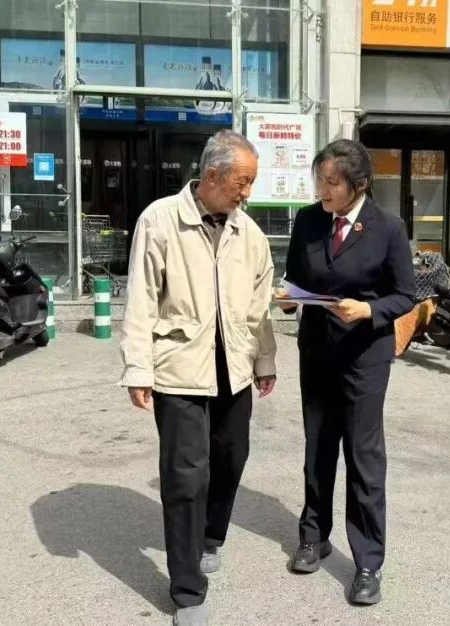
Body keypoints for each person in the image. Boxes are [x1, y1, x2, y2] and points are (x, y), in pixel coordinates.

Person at [119, 130, 277, 626]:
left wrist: (265, 360)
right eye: (242, 181)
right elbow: (141, 299)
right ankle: (187, 590)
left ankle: (211, 534)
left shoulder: (249, 233)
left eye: (251, 182)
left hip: (235, 367)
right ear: (212, 175)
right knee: (186, 475)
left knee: (231, 458)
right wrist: (138, 367)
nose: (247, 192)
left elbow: (260, 306)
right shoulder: (160, 220)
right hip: (179, 368)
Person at [279, 139, 415, 605]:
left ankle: (368, 563)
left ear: (359, 184)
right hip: (317, 353)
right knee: (318, 449)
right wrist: (289, 298)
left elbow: (405, 294)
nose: (322, 190)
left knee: (362, 457)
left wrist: (369, 310)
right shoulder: (308, 221)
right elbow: (296, 278)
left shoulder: (388, 228)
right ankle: (313, 537)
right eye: (319, 180)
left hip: (364, 358)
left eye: (332, 182)